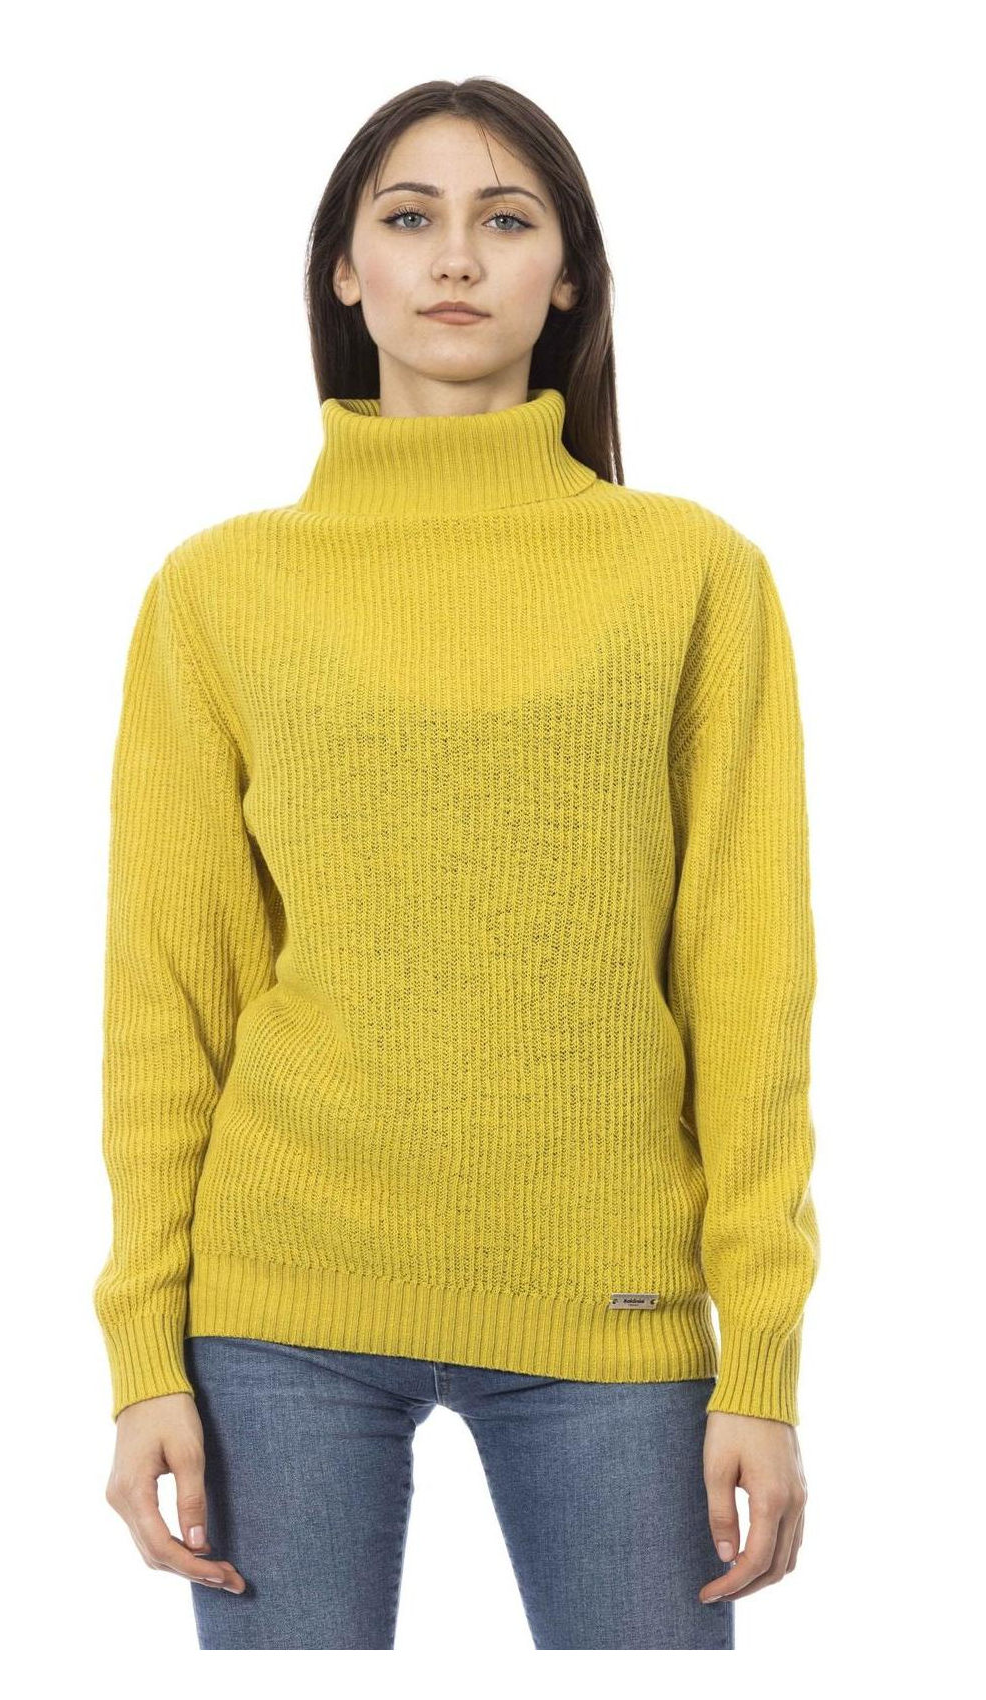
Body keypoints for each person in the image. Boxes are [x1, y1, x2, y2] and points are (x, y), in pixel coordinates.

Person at [93, 77, 820, 1651]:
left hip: (611, 1296)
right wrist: (144, 1352)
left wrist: (760, 1358)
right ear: (345, 271)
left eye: (506, 219)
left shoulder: (692, 574)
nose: (456, 257)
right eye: (410, 218)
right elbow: (169, 999)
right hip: (279, 1306)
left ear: (568, 279)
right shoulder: (217, 593)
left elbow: (750, 984)